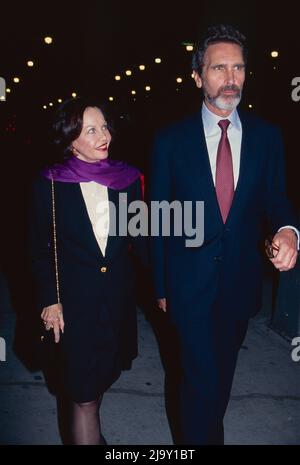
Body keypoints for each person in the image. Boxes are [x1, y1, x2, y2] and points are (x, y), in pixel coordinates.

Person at [149, 24, 299, 445]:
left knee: (219, 381)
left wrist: (288, 231)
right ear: (198, 76)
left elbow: (276, 199)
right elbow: (159, 217)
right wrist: (161, 285)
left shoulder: (268, 136)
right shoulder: (169, 140)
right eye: (219, 68)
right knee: (199, 380)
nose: (231, 78)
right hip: (186, 283)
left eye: (238, 67)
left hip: (239, 282)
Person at [29, 97, 144, 445]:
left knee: (98, 384)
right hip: (72, 310)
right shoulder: (50, 184)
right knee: (84, 398)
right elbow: (37, 250)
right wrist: (49, 300)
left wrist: (169, 286)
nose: (103, 135)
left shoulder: (126, 180)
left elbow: (142, 241)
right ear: (71, 140)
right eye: (91, 130)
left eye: (104, 126)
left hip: (114, 306)